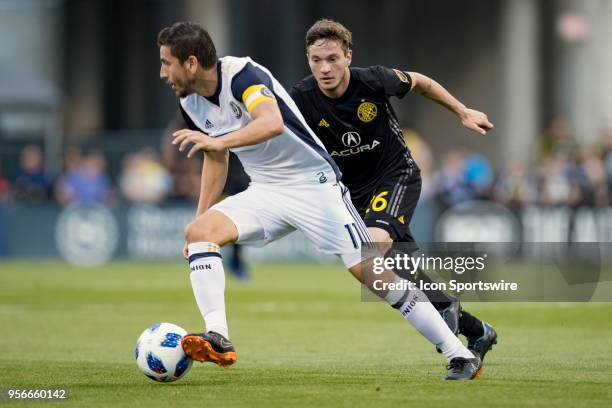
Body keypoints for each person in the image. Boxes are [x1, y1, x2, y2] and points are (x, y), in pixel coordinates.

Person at [158, 21, 481, 380]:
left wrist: (220, 142)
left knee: (372, 272)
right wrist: (201, 216)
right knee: (198, 231)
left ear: (190, 63)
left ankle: (460, 354)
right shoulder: (189, 101)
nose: (162, 73)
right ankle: (218, 336)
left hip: (314, 185)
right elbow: (215, 157)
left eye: (166, 63)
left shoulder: (241, 75)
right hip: (266, 189)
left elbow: (272, 123)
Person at [289, 19, 497, 361]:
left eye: (332, 59)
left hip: (396, 175)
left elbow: (422, 83)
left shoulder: (373, 79)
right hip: (353, 195)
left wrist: (462, 111)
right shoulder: (300, 98)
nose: (324, 68)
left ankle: (454, 345)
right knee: (399, 268)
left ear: (347, 56)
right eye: (316, 60)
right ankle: (476, 331)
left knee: (370, 252)